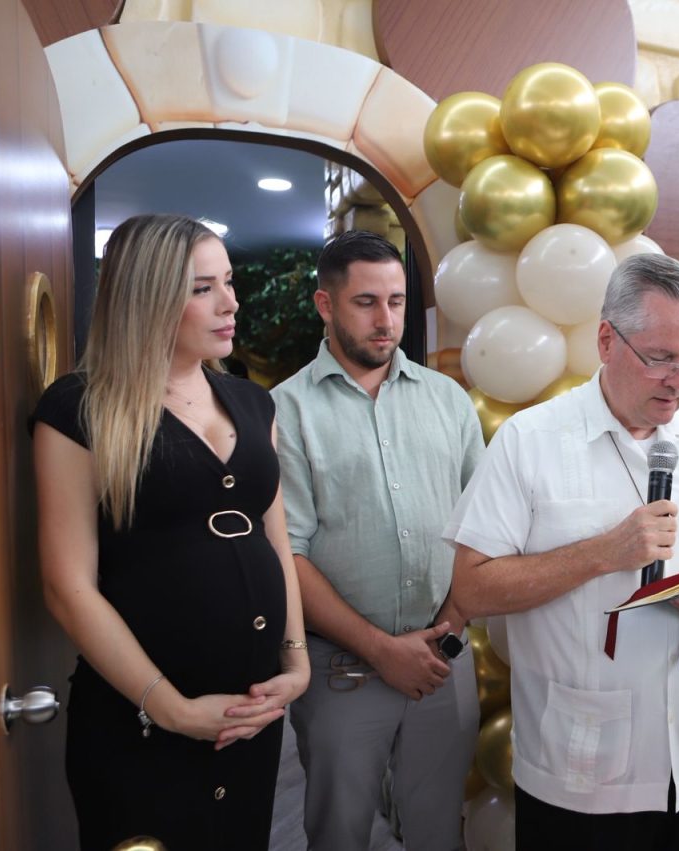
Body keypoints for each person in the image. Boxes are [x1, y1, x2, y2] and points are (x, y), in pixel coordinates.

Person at [442, 254, 679, 851]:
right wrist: (600, 553)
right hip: (585, 769)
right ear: (605, 340)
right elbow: (470, 588)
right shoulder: (530, 440)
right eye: (660, 358)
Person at [33, 214, 310, 851]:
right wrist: (171, 708)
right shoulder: (79, 409)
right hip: (139, 725)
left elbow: (276, 539)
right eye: (202, 289)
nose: (230, 303)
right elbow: (66, 587)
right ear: (147, 298)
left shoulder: (254, 403)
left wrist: (295, 662)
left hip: (250, 716)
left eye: (229, 282)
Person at [272, 230, 483, 850]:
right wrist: (382, 649)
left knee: (439, 833)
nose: (386, 320)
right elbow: (288, 553)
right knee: (340, 836)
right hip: (342, 672)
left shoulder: (449, 400)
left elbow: (483, 530)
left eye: (395, 301)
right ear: (325, 304)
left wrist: (447, 630)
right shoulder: (284, 411)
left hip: (444, 660)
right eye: (365, 302)